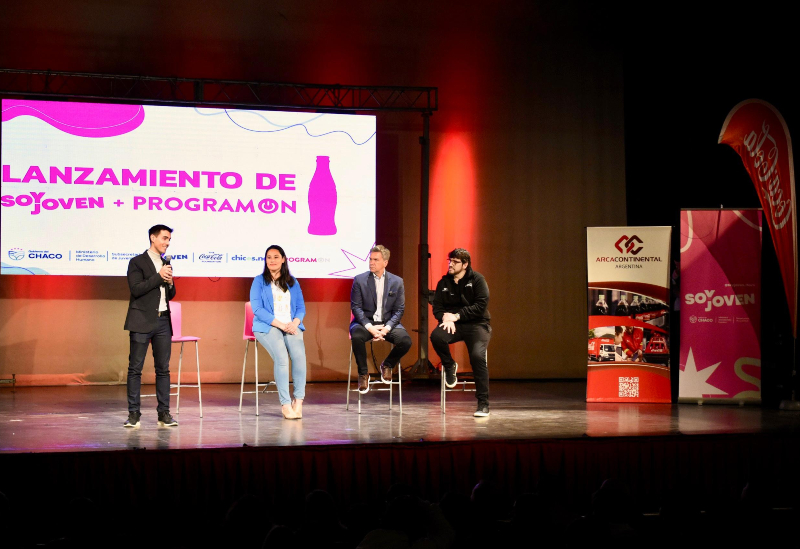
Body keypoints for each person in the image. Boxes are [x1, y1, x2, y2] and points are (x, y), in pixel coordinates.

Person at [123, 224, 178, 428]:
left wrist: (170, 283)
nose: (167, 242)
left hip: (163, 321)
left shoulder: (166, 264)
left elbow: (170, 295)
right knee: (135, 369)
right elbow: (136, 289)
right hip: (141, 320)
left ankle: (164, 414)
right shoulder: (137, 262)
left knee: (163, 369)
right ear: (153, 238)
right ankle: (133, 414)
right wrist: (159, 276)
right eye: (164, 238)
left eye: (169, 239)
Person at [430, 248, 492, 417]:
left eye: (455, 262)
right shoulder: (443, 283)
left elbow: (480, 306)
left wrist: (456, 316)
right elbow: (437, 308)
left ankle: (483, 403)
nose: (450, 264)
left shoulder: (478, 280)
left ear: (465, 265)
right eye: (450, 261)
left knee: (477, 356)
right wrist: (445, 317)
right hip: (453, 324)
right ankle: (449, 365)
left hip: (477, 324)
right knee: (436, 337)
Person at [250, 245, 307, 419]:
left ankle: (298, 401)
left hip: (291, 325)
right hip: (268, 326)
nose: (272, 260)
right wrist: (281, 325)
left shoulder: (292, 281)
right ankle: (285, 404)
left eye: (276, 257)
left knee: (299, 357)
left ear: (283, 259)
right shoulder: (259, 281)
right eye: (269, 257)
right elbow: (257, 309)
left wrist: (295, 323)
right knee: (282, 358)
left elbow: (300, 308)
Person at [350, 245, 412, 394]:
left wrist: (386, 328)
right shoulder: (360, 280)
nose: (371, 262)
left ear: (385, 262)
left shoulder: (397, 282)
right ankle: (363, 374)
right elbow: (356, 307)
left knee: (405, 341)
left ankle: (387, 365)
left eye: (376, 260)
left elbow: (399, 310)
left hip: (388, 323)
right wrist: (370, 328)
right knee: (357, 336)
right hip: (365, 323)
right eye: (370, 259)